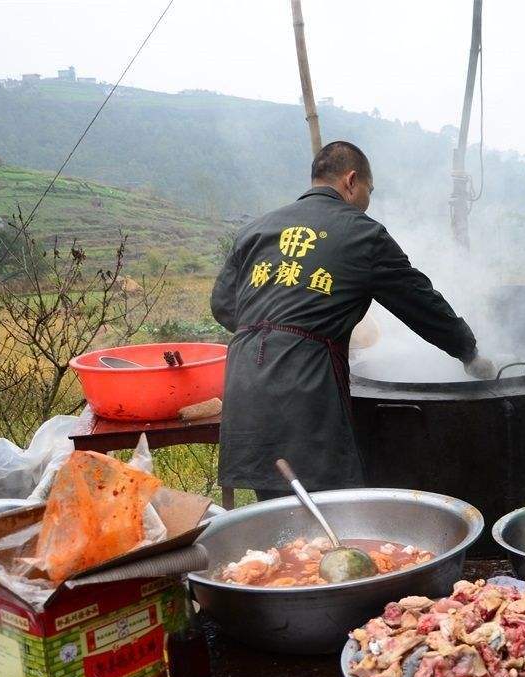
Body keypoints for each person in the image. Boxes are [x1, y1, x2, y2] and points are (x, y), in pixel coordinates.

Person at [211, 141, 493, 498]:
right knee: (328, 504)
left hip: (244, 384)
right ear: (352, 180)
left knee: (276, 508)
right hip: (303, 387)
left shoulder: (256, 229)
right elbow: (420, 303)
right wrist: (468, 351)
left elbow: (223, 306)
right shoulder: (363, 233)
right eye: (369, 191)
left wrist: (282, 330)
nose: (367, 200)